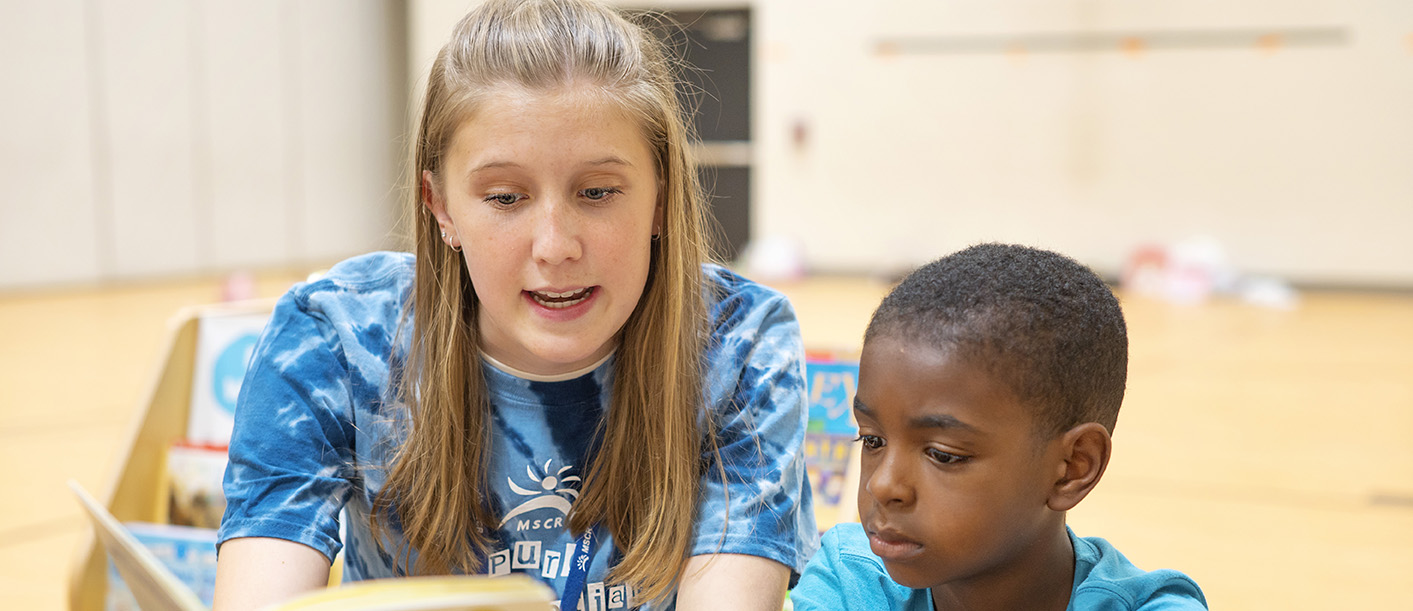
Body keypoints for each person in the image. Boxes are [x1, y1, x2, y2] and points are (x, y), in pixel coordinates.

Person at [212, 1, 817, 609]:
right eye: (505, 197)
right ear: (441, 205)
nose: (555, 247)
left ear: (660, 195)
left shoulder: (740, 344)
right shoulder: (334, 338)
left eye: (597, 192)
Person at [790, 244, 1207, 610]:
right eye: (872, 440)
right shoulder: (849, 581)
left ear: (1072, 466)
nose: (882, 486)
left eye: (942, 454)